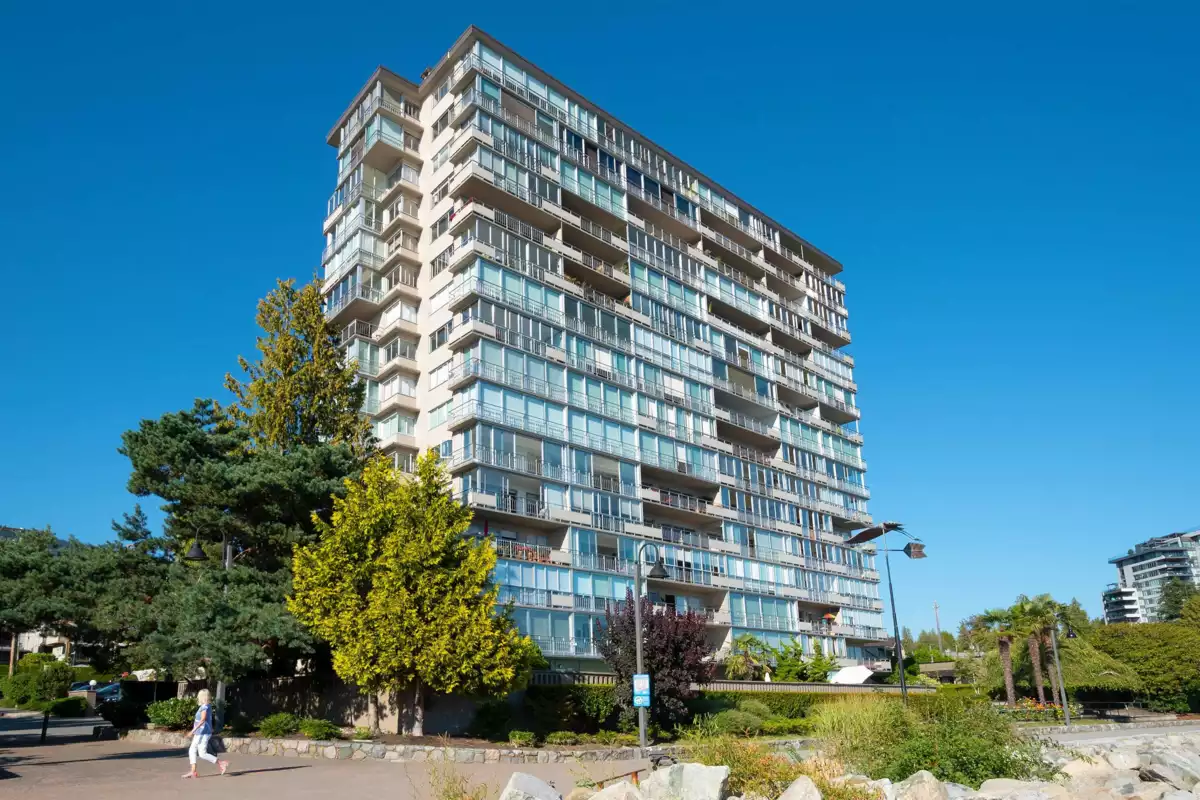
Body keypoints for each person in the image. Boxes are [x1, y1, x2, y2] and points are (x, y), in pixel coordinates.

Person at [183, 689, 229, 778]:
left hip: (202, 733)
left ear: (202, 697)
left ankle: (221, 763)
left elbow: (202, 720)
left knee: (199, 752)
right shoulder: (207, 706)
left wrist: (192, 731)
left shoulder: (205, 707)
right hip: (201, 732)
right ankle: (194, 771)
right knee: (196, 751)